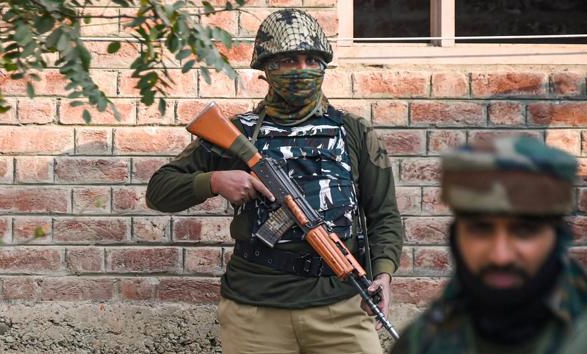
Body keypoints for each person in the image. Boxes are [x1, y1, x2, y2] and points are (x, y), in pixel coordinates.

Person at [146, 8, 403, 354]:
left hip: (341, 308)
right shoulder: (237, 134)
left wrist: (384, 274)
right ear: (266, 69)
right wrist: (215, 180)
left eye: (312, 60)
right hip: (255, 311)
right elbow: (159, 190)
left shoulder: (353, 132)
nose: (302, 70)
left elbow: (384, 214)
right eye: (289, 61)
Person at [391, 136, 587, 354]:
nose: (500, 256)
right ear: (456, 237)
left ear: (558, 237)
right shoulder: (423, 343)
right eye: (481, 230)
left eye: (524, 231)